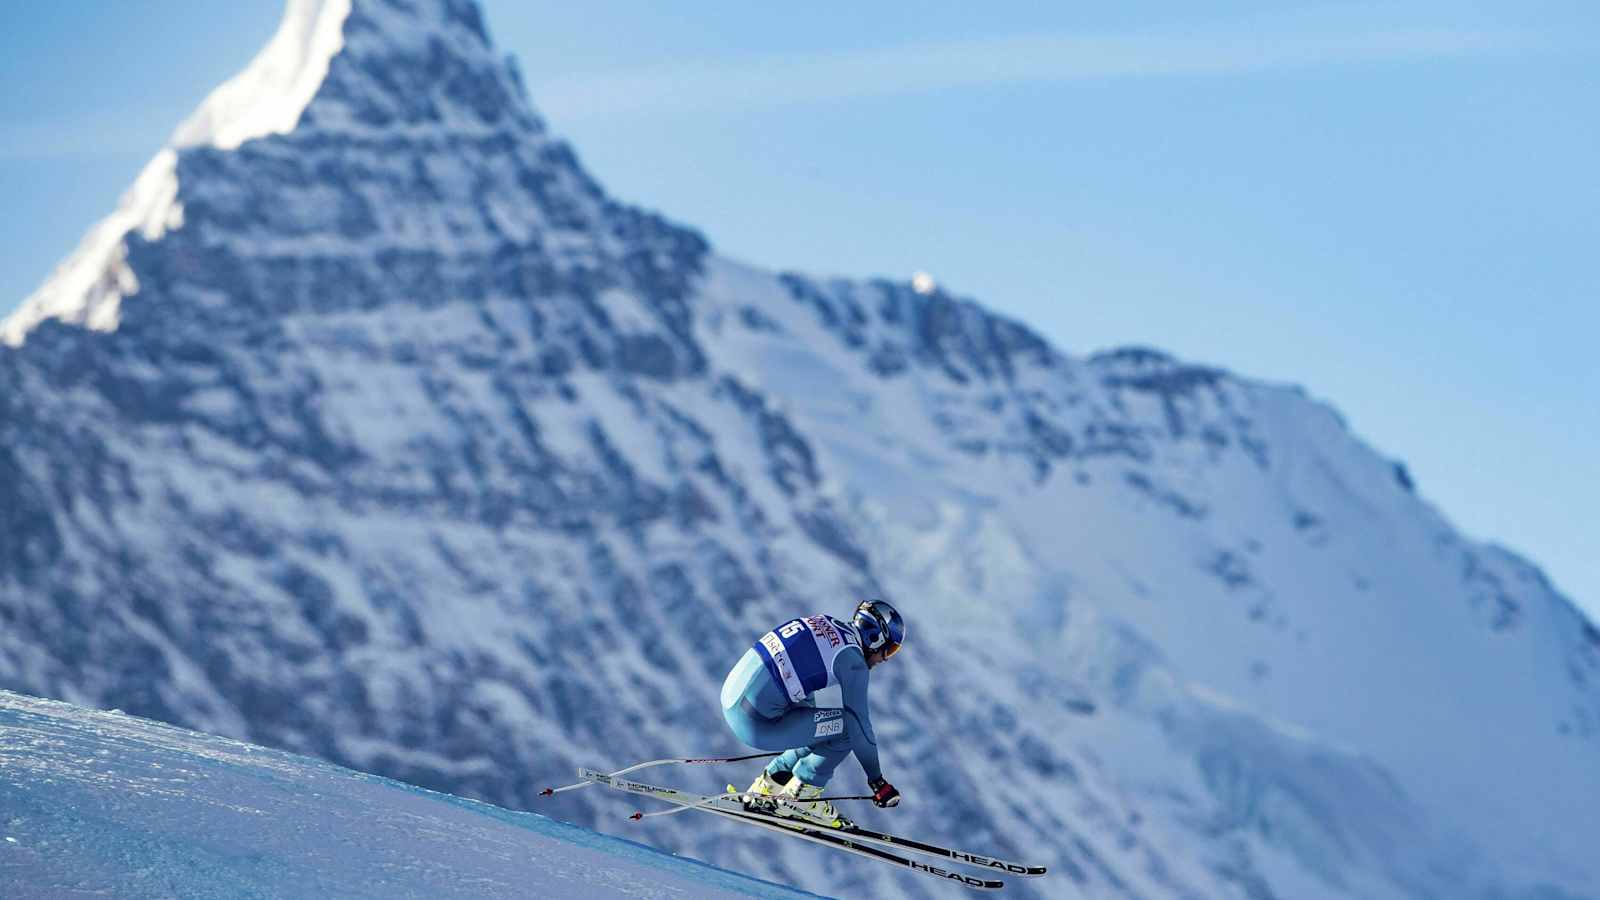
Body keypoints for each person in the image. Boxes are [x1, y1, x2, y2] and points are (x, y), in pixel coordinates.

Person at [720, 599, 906, 828]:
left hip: (732, 700)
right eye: (889, 650)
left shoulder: (826, 622)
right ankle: (801, 796)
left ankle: (771, 785)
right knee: (849, 728)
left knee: (822, 727)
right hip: (755, 724)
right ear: (875, 638)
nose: (884, 659)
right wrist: (877, 781)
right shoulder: (854, 663)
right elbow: (859, 726)